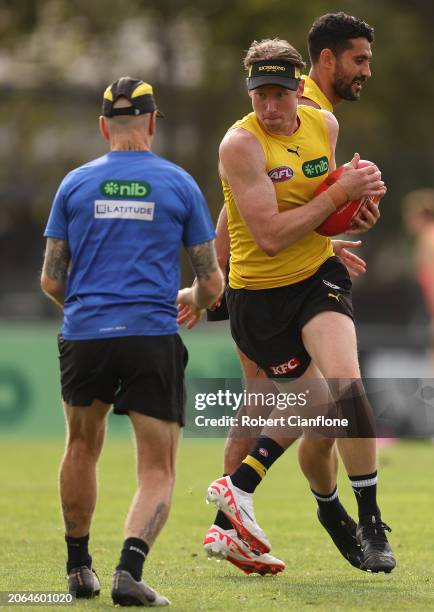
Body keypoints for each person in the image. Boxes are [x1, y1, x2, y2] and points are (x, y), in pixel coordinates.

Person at [180, 14, 382, 576]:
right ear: (324, 64)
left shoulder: (321, 122)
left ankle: (253, 517)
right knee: (276, 403)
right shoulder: (247, 138)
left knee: (329, 394)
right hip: (257, 288)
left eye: (280, 94)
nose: (367, 70)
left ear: (298, 89)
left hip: (310, 275)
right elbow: (249, 217)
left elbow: (313, 197)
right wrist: (209, 282)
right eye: (359, 60)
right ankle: (235, 519)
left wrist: (345, 220)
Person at [41, 77, 223, 606]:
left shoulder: (74, 185)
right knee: (158, 467)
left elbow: (53, 279)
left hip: (85, 334)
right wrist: (191, 295)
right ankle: (129, 571)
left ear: (103, 126)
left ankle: (79, 570)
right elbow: (211, 283)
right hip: (151, 334)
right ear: (151, 123)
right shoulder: (179, 184)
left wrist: (89, 308)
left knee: (81, 447)